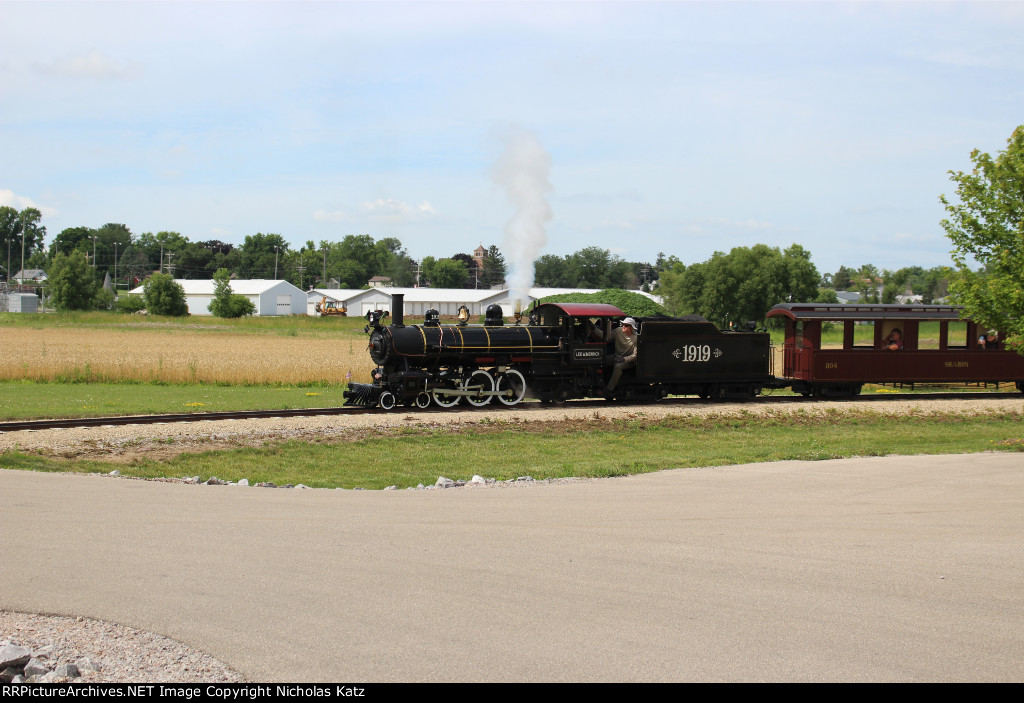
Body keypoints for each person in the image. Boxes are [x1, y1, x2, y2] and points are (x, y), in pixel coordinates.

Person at [593, 317, 639, 393]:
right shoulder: (618, 331)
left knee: (618, 367)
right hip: (617, 356)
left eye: (626, 325)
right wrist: (594, 328)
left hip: (628, 360)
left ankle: (609, 389)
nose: (623, 326)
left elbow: (635, 355)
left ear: (631, 327)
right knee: (601, 360)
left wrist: (624, 359)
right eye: (623, 324)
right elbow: (606, 337)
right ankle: (598, 384)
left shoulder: (636, 338)